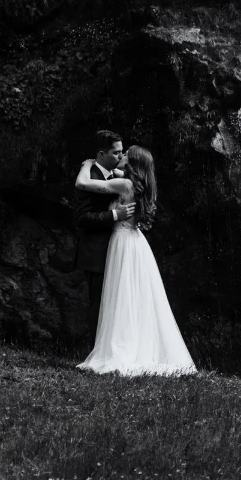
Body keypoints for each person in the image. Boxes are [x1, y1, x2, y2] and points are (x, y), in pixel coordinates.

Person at [74, 144, 197, 376]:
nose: (122, 155)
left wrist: (88, 164)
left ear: (133, 162)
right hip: (137, 242)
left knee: (123, 293)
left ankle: (122, 348)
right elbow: (115, 173)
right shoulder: (140, 184)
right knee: (135, 295)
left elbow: (83, 183)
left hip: (122, 242)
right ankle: (137, 344)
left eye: (126, 154)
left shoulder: (125, 184)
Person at [72, 130, 134, 349]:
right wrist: (115, 215)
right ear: (101, 154)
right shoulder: (92, 176)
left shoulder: (118, 176)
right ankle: (96, 353)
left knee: (116, 304)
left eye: (122, 152)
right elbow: (81, 218)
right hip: (96, 253)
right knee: (98, 304)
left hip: (118, 249)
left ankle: (114, 350)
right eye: (116, 152)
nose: (121, 156)